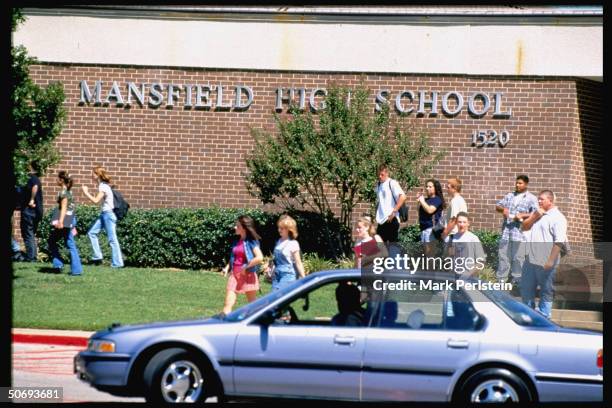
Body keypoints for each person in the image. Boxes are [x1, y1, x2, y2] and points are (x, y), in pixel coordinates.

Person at [520, 190, 568, 318]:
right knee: (526, 288)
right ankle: (528, 314)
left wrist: (550, 261)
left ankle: (544, 315)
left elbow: (559, 241)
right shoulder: (538, 214)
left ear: (550, 201)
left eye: (542, 199)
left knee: (546, 289)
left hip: (546, 260)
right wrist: (534, 216)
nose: (539, 201)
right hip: (531, 259)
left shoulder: (558, 218)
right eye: (538, 199)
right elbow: (524, 227)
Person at [495, 175, 538, 287]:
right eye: (517, 183)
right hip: (506, 232)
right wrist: (503, 209)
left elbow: (536, 214)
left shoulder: (531, 198)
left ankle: (517, 282)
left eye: (520, 183)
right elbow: (498, 206)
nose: (517, 185)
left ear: (526, 184)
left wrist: (524, 215)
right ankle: (501, 281)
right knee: (503, 256)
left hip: (520, 233)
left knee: (518, 258)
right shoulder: (510, 195)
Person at [81, 166, 124, 267]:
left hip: (108, 215)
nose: (91, 175)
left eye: (93, 173)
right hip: (104, 214)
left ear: (98, 175)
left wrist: (86, 192)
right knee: (92, 233)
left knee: (112, 239)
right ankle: (97, 256)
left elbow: (96, 201)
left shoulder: (103, 186)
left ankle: (117, 263)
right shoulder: (103, 185)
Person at [222, 215, 264, 315]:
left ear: (244, 228)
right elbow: (234, 257)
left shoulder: (251, 242)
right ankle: (224, 322)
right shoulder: (237, 241)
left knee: (252, 305)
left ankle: (259, 321)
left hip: (248, 275)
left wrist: (246, 267)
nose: (235, 228)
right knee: (228, 303)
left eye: (237, 226)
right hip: (234, 275)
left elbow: (259, 258)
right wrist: (227, 267)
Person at [48, 171, 83, 276]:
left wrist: (61, 221)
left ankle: (75, 270)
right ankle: (58, 264)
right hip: (70, 219)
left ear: (61, 180)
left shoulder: (63, 193)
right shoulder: (69, 191)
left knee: (69, 244)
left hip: (65, 220)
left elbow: (63, 208)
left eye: (57, 178)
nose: (56, 180)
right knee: (53, 241)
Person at [265, 215, 305, 291]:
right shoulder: (278, 241)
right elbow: (275, 259)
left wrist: (303, 277)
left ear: (289, 229)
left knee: (280, 297)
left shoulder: (293, 243)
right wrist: (269, 267)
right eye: (279, 227)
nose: (279, 230)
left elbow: (298, 262)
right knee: (274, 297)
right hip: (276, 274)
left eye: (282, 228)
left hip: (287, 275)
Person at [445, 212, 486, 278]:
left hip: (469, 279)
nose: (462, 224)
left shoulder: (473, 238)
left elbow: (481, 262)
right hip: (454, 277)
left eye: (464, 222)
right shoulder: (451, 238)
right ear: (456, 223)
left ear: (468, 223)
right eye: (459, 222)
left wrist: (468, 274)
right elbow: (448, 258)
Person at [375, 164, 407, 245]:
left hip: (391, 219)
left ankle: (395, 257)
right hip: (381, 220)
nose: (380, 176)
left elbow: (403, 197)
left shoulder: (392, 183)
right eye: (378, 174)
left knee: (392, 245)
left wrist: (394, 212)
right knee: (380, 246)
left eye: (382, 174)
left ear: (387, 173)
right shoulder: (378, 185)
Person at [20, 162, 44, 262]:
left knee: (27, 233)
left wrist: (32, 199)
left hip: (30, 211)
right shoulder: (36, 178)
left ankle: (31, 258)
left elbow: (35, 186)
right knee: (31, 234)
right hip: (37, 211)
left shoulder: (33, 178)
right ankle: (32, 256)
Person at [416, 179, 445, 257]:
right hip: (423, 229)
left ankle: (431, 269)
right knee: (426, 254)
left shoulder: (437, 199)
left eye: (430, 186)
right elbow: (419, 210)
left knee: (430, 254)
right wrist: (419, 200)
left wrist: (422, 201)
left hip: (431, 230)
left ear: (435, 188)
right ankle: (428, 269)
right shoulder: (426, 200)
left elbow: (430, 210)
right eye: (426, 186)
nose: (427, 188)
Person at [440, 177, 468, 242]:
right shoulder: (460, 200)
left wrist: (444, 233)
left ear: (454, 189)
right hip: (458, 235)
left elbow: (453, 220)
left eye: (448, 187)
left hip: (453, 236)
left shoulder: (455, 201)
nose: (447, 189)